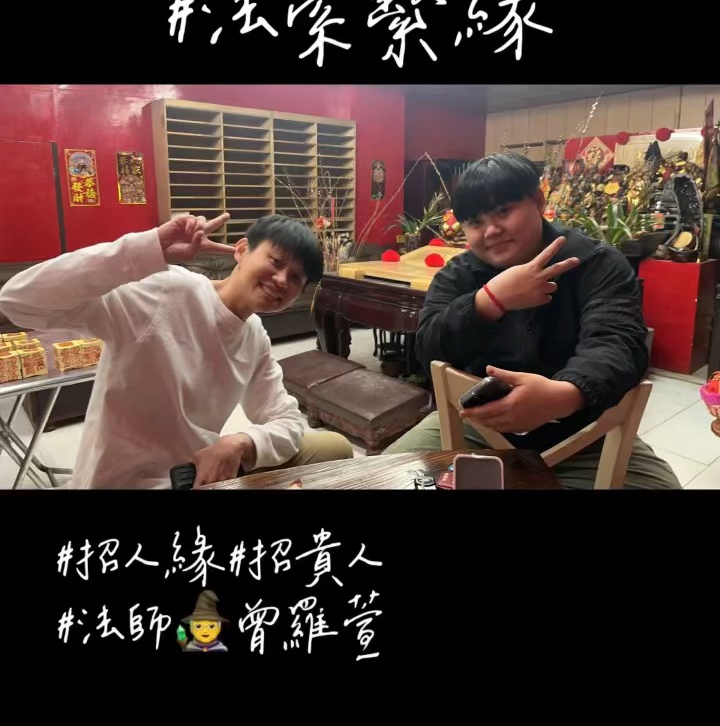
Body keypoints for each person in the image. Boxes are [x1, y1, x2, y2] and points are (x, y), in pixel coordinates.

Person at [384, 154, 680, 489]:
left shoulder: (597, 264)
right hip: (476, 427)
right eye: (475, 222)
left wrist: (565, 395)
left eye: (503, 211)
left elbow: (617, 343)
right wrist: (488, 301)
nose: (491, 231)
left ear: (538, 201)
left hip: (586, 434)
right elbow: (427, 350)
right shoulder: (457, 275)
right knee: (381, 479)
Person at [0, 212, 353, 489]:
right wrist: (146, 249)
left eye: (296, 278)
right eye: (276, 262)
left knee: (334, 447)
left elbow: (286, 420)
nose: (281, 281)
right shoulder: (165, 292)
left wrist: (240, 442)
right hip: (126, 481)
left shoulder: (254, 335)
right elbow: (18, 302)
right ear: (242, 250)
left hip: (197, 473)